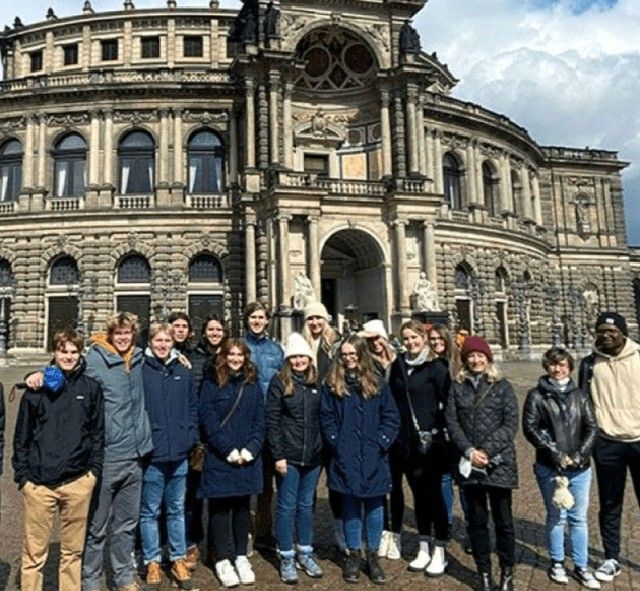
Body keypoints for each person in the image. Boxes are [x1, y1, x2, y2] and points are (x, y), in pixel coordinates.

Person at [25, 312, 152, 591]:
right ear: (110, 334)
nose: (123, 337)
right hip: (108, 454)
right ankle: (90, 580)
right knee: (96, 526)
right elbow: (67, 370)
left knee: (127, 524)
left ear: (134, 335)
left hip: (136, 455)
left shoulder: (140, 358)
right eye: (118, 333)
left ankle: (123, 577)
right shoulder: (94, 358)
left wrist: (180, 357)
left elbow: (165, 355)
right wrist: (39, 374)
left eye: (127, 333)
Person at [13, 330, 104, 591]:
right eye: (64, 351)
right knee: (33, 554)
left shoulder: (91, 388)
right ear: (54, 352)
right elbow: (21, 437)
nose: (69, 357)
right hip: (39, 484)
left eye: (74, 352)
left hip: (78, 481)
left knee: (72, 553)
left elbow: (98, 433)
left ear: (81, 354)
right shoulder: (36, 389)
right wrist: (23, 477)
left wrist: (93, 472)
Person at [321, 335, 400, 584]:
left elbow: (391, 416)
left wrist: (381, 441)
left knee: (375, 505)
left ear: (361, 355)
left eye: (352, 354)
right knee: (350, 504)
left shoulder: (377, 381)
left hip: (373, 452)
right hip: (345, 453)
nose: (348, 358)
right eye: (344, 354)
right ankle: (354, 554)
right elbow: (326, 417)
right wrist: (337, 442)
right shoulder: (332, 383)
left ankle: (373, 556)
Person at [523, 347, 600, 589]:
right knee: (556, 516)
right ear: (547, 366)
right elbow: (530, 428)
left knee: (578, 518)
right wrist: (554, 453)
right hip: (550, 466)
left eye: (563, 365)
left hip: (579, 467)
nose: (558, 369)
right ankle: (556, 562)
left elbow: (592, 427)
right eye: (554, 364)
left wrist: (579, 454)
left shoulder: (581, 396)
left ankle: (581, 565)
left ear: (570, 367)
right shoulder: (536, 395)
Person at [446, 336, 518, 591]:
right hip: (470, 463)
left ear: (488, 358)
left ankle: (507, 574)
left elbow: (510, 424)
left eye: (480, 356)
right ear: (465, 360)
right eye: (471, 356)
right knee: (476, 522)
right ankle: (484, 574)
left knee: (504, 523)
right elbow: (452, 422)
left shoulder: (503, 386)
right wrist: (469, 451)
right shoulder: (457, 387)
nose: (476, 360)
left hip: (499, 463)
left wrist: (485, 451)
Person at [578, 312, 640, 583]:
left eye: (611, 331)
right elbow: (583, 404)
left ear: (623, 333)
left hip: (639, 439)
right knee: (610, 503)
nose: (605, 335)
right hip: (607, 442)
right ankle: (611, 557)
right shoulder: (590, 364)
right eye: (601, 330)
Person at [198, 338, 265, 588]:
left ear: (246, 357)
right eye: (232, 354)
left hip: (247, 456)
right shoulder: (211, 382)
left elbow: (260, 419)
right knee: (219, 508)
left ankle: (240, 555)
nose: (236, 359)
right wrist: (228, 449)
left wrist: (251, 448)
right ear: (224, 357)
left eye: (240, 355)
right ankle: (223, 559)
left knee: (241, 507)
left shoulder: (252, 384)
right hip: (221, 455)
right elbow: (208, 419)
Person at [388, 320, 451, 575]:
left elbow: (448, 405)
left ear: (423, 338)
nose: (411, 342)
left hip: (431, 444)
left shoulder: (436, 367)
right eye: (406, 339)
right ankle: (424, 545)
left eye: (415, 337)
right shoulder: (398, 365)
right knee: (419, 496)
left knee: (435, 496)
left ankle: (441, 550)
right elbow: (392, 400)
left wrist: (437, 430)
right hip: (406, 443)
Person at [140, 323, 199, 590]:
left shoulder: (183, 371)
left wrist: (189, 437)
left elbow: (192, 407)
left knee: (176, 509)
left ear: (173, 343)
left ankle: (177, 558)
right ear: (150, 342)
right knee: (150, 512)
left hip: (179, 453)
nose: (163, 345)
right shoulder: (140, 369)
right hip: (153, 453)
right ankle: (152, 561)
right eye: (158, 340)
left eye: (167, 340)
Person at [266, 333, 324, 584]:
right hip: (288, 456)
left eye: (303, 356)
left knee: (306, 506)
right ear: (288, 359)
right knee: (287, 506)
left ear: (309, 359)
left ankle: (306, 551)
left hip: (313, 456)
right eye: (294, 357)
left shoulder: (317, 382)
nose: (299, 361)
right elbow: (272, 420)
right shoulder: (279, 382)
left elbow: (324, 417)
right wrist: (277, 454)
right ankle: (286, 556)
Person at [184, 314, 228, 568]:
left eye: (218, 329)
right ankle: (192, 543)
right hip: (199, 435)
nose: (214, 333)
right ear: (203, 333)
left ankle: (216, 545)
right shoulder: (193, 357)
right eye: (210, 329)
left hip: (223, 431)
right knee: (194, 494)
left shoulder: (231, 355)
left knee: (220, 495)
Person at [358, 319, 401, 560]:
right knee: (379, 483)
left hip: (398, 429)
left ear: (384, 337)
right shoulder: (366, 364)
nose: (375, 343)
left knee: (396, 485)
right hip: (377, 430)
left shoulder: (399, 361)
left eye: (377, 338)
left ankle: (395, 533)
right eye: (370, 340)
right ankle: (381, 531)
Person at [243, 301, 284, 549]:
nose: (257, 321)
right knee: (245, 478)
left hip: (270, 421)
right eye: (253, 317)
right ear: (246, 320)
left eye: (261, 317)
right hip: (246, 421)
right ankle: (244, 531)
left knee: (267, 484)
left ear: (267, 321)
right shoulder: (239, 347)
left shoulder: (276, 350)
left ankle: (263, 531)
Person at [429, 324, 471, 553]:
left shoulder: (459, 365)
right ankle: (445, 523)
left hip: (459, 430)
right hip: (437, 431)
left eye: (439, 338)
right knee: (443, 479)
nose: (436, 342)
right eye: (432, 339)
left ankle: (471, 526)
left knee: (464, 481)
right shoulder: (428, 364)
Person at [302, 301, 338, 380]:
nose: (314, 323)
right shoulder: (301, 343)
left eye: (318, 317)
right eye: (310, 318)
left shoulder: (335, 341)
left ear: (325, 320)